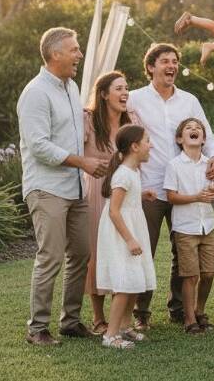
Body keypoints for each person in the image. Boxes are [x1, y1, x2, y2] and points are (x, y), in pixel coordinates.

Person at [18, 27, 106, 346]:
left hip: (75, 189)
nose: (79, 55)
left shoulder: (71, 87)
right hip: (46, 189)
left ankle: (70, 321)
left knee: (81, 253)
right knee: (51, 256)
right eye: (75, 50)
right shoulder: (35, 93)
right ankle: (37, 328)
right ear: (56, 55)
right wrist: (82, 163)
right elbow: (39, 146)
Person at [127, 43, 214, 330]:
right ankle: (140, 311)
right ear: (150, 67)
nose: (171, 66)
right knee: (145, 249)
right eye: (165, 61)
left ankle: (180, 308)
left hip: (186, 189)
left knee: (184, 250)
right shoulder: (134, 99)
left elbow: (209, 135)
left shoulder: (189, 100)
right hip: (151, 188)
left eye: (175, 62)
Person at [96, 124, 157, 349]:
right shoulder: (122, 174)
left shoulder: (132, 172)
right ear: (134, 146)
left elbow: (126, 200)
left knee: (135, 280)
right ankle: (110, 335)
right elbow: (114, 210)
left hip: (131, 225)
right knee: (124, 282)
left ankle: (124, 326)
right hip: (121, 232)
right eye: (147, 141)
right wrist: (130, 239)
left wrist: (141, 195)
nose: (151, 145)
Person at [83, 71, 134, 335]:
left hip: (125, 193)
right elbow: (75, 153)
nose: (125, 93)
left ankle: (123, 318)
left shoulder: (132, 120)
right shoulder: (88, 120)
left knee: (123, 249)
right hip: (97, 193)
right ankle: (98, 318)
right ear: (103, 94)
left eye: (126, 88)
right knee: (97, 251)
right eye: (118, 88)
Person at [164, 118, 214, 334]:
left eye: (198, 128)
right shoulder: (174, 165)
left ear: (203, 139)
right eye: (188, 128)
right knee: (190, 275)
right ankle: (189, 320)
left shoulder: (209, 164)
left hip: (207, 225)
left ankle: (199, 311)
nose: (194, 129)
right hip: (185, 227)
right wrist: (196, 197)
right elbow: (170, 196)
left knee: (208, 273)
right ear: (180, 139)